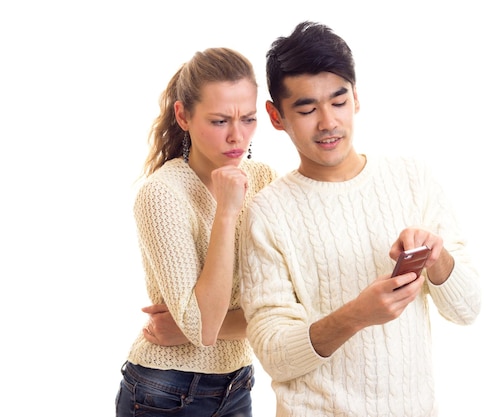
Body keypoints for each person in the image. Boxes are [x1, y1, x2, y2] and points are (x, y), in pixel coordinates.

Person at [145, 21, 481, 417]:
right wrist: (355, 315)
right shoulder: (267, 209)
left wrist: (438, 259)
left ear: (356, 98)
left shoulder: (413, 179)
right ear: (276, 116)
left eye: (338, 102)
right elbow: (274, 353)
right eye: (306, 109)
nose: (328, 123)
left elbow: (468, 308)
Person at [114, 47, 277, 417]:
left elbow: (293, 304)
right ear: (183, 115)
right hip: (165, 392)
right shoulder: (162, 194)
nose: (238, 136)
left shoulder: (264, 179)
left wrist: (201, 327)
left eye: (248, 119)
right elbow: (203, 326)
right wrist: (226, 212)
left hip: (238, 384)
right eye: (220, 121)